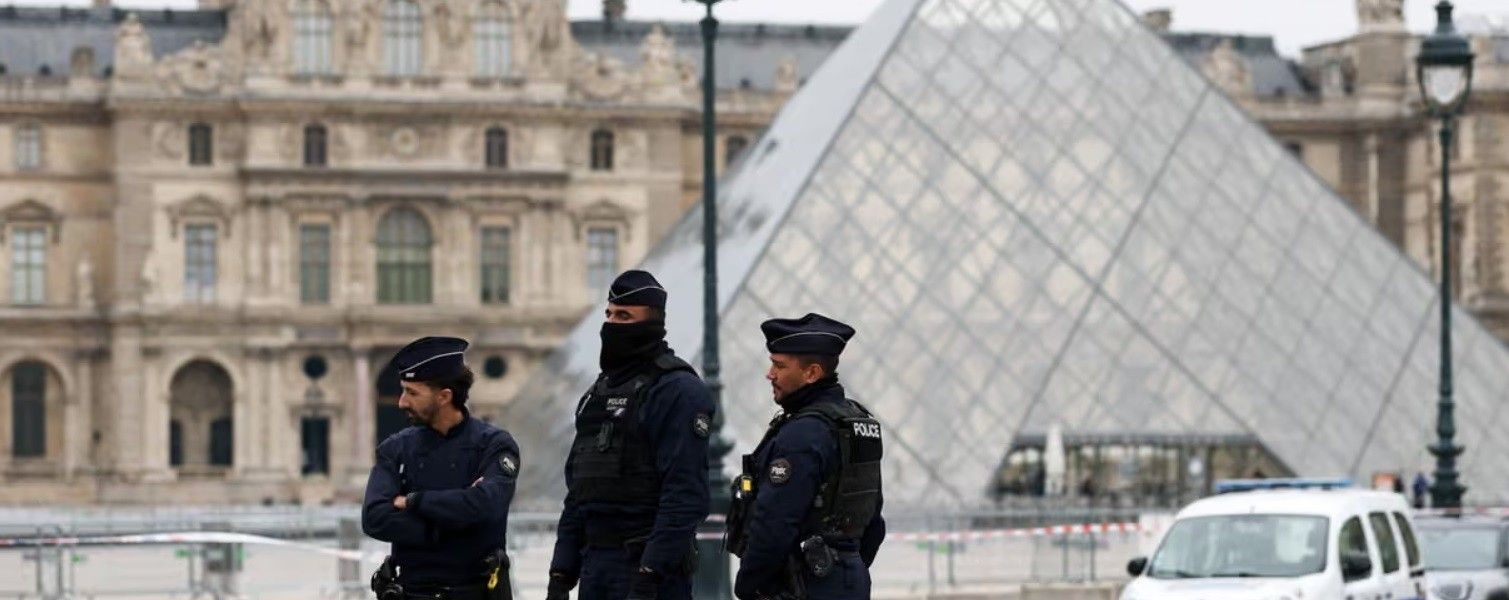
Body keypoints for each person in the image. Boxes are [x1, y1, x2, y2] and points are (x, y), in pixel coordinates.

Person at [546, 270, 715, 600]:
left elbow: (684, 495)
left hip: (647, 567)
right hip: (596, 566)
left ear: (652, 323)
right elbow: (579, 491)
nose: (611, 324)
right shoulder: (598, 392)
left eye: (624, 316)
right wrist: (561, 572)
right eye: (608, 314)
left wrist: (650, 574)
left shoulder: (677, 390)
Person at [726, 313, 886, 600]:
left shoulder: (802, 434)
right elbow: (873, 520)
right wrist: (844, 568)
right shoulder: (859, 423)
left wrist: (746, 586)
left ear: (812, 373)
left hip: (801, 583)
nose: (770, 374)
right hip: (847, 579)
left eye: (779, 365)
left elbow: (774, 525)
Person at [361, 336, 520, 600]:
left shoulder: (493, 445)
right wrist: (453, 523)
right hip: (413, 593)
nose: (402, 402)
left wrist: (413, 501)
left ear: (444, 396)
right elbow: (375, 518)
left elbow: (487, 505)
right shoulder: (396, 449)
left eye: (412, 393)